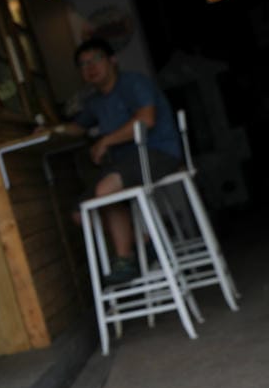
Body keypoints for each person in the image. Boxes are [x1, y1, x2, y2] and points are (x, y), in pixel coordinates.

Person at [60, 37, 184, 286]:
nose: (90, 67)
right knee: (80, 214)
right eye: (83, 65)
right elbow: (76, 127)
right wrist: (49, 131)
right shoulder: (95, 102)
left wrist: (106, 141)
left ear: (112, 61)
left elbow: (146, 120)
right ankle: (146, 243)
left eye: (96, 60)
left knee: (105, 190)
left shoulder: (133, 83)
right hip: (125, 166)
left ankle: (125, 260)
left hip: (158, 153)